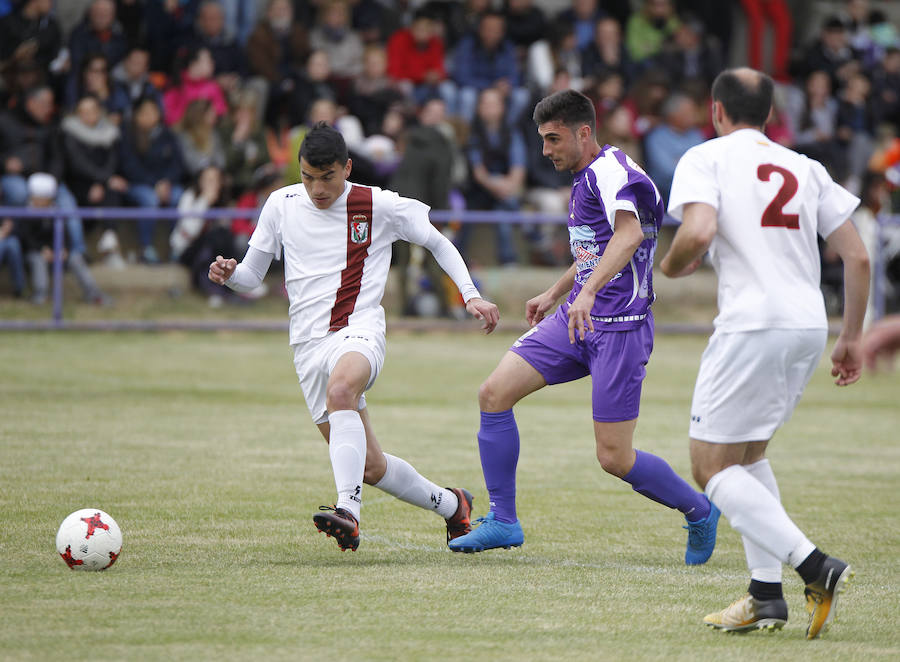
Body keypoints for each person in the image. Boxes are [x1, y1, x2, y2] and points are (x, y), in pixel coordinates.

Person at [448, 89, 720, 564]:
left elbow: (630, 234)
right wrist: (558, 292)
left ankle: (699, 511)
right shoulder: (587, 175)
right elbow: (599, 247)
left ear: (584, 132)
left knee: (614, 457)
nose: (546, 150)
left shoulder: (612, 172)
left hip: (621, 328)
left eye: (553, 139)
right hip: (575, 318)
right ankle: (504, 521)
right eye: (542, 140)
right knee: (493, 394)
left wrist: (589, 292)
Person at [207, 122, 500, 551]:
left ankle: (348, 512)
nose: (317, 188)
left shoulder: (375, 204)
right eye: (308, 176)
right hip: (306, 347)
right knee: (369, 466)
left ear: (346, 168)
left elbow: (438, 242)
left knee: (342, 390)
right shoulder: (281, 204)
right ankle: (453, 505)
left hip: (357, 330)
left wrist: (471, 295)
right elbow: (253, 274)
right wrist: (231, 276)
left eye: (327, 177)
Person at [659, 68, 869, 639]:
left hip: (752, 323)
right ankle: (765, 595)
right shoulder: (805, 166)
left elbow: (698, 233)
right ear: (770, 115)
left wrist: (670, 266)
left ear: (718, 111)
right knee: (747, 455)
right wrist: (850, 336)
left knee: (709, 467)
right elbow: (858, 257)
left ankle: (815, 566)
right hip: (807, 324)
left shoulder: (705, 157)